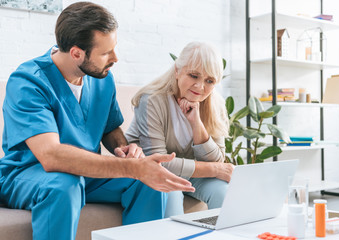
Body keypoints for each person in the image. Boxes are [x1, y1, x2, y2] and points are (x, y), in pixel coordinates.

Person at [0, 2, 195, 240]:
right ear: (76, 53)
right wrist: (130, 167)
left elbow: (110, 127)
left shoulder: (103, 78)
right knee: (63, 184)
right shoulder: (28, 82)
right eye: (105, 53)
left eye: (114, 48)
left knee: (146, 181)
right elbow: (51, 157)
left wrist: (124, 149)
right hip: (28, 174)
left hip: (85, 173)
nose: (115, 57)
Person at [126, 42, 234, 217]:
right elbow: (158, 161)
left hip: (193, 176)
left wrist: (196, 123)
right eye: (193, 76)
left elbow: (218, 159)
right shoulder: (152, 100)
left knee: (224, 191)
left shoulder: (216, 103)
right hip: (155, 173)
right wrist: (215, 170)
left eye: (209, 81)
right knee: (171, 193)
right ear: (177, 71)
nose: (200, 87)